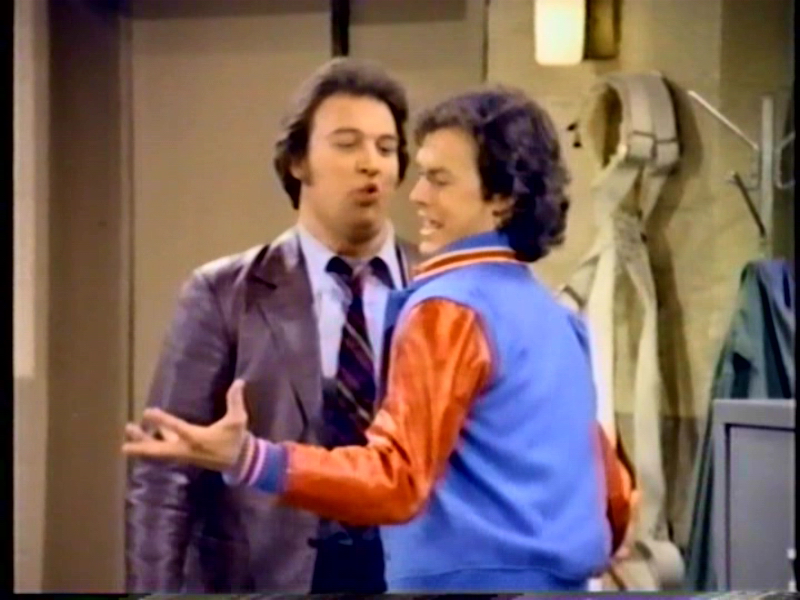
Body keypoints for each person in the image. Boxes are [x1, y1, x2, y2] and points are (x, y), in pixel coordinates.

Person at [123, 86, 635, 593]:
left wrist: (252, 458)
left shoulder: (448, 307)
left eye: (437, 179)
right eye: (348, 144)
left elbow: (397, 479)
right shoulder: (557, 314)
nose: (415, 194)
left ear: (502, 198)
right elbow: (607, 483)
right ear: (298, 161)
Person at [125, 57, 419, 594]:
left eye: (386, 147)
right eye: (347, 144)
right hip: (268, 575)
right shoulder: (224, 293)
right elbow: (165, 471)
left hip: (410, 570)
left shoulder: (440, 289)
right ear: (298, 161)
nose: (371, 164)